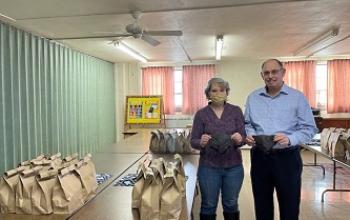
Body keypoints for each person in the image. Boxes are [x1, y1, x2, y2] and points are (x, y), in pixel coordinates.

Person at [244, 59, 318, 220]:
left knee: (289, 206)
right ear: (262, 75)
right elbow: (247, 124)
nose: (270, 76)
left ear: (283, 72)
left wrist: (290, 138)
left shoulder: (297, 97)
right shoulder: (253, 98)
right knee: (262, 206)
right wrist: (249, 134)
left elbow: (310, 128)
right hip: (259, 158)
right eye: (266, 73)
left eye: (274, 72)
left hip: (287, 159)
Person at [191, 77, 246, 220]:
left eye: (222, 90)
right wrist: (201, 142)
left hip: (234, 167)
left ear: (227, 92)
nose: (218, 93)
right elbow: (193, 141)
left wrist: (240, 139)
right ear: (208, 94)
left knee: (231, 203)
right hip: (208, 167)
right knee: (208, 204)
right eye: (214, 90)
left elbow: (244, 137)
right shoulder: (201, 114)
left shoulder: (235, 111)